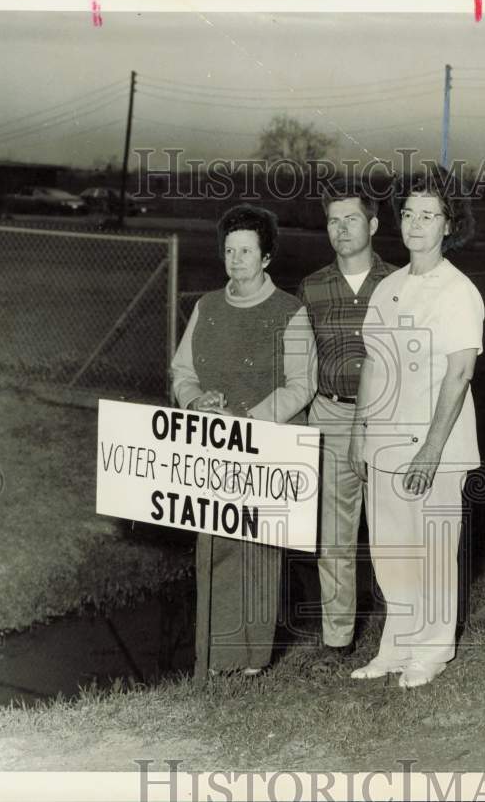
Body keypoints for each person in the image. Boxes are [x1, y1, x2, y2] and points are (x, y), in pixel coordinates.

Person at [348, 170, 483, 689]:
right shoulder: (388, 287)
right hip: (383, 442)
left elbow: (460, 373)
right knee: (391, 552)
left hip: (436, 448)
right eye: (408, 214)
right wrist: (361, 432)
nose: (416, 225)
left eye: (429, 215)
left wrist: (430, 449)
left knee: (431, 551)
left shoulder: (459, 291)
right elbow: (373, 365)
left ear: (449, 225)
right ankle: (395, 648)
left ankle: (431, 652)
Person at [170, 203, 316, 676]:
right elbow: (182, 372)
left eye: (247, 251)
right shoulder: (206, 307)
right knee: (212, 545)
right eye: (230, 250)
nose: (236, 260)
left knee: (258, 551)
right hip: (212, 446)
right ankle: (214, 658)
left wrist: (249, 418)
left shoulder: (290, 312)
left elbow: (302, 383)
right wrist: (196, 402)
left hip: (267, 444)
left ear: (267, 256)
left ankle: (252, 661)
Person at [297, 180, 397, 673]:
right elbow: (300, 364)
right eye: (333, 221)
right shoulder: (312, 288)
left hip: (387, 416)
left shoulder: (399, 282)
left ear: (373, 224)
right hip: (332, 414)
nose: (341, 229)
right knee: (334, 535)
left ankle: (404, 627)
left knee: (393, 527)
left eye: (351, 219)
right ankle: (338, 639)